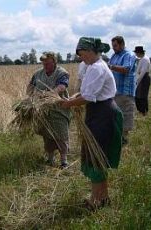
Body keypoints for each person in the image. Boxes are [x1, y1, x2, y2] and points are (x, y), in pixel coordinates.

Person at [61, 37, 123, 211]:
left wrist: (67, 104)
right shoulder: (93, 67)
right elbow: (85, 92)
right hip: (99, 112)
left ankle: (96, 201)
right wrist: (73, 98)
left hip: (103, 114)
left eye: (82, 54)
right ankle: (103, 198)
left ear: (89, 51)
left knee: (96, 157)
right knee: (97, 156)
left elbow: (88, 97)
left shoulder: (97, 68)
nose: (82, 58)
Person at [26, 52, 71, 168]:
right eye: (44, 63)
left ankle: (63, 160)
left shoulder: (62, 73)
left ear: (54, 62)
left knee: (61, 134)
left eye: (48, 63)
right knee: (47, 135)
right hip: (44, 111)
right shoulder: (38, 74)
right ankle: (50, 158)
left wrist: (49, 95)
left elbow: (62, 87)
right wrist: (31, 96)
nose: (45, 66)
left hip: (59, 108)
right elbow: (30, 86)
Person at [108, 36, 136, 145]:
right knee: (116, 114)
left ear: (122, 44)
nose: (113, 48)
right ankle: (118, 137)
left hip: (125, 90)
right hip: (115, 90)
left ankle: (124, 139)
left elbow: (126, 69)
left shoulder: (128, 55)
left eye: (115, 46)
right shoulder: (114, 56)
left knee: (126, 114)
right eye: (113, 46)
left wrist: (110, 66)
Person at [133, 46, 150, 116]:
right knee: (139, 95)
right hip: (142, 78)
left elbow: (142, 72)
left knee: (142, 95)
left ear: (139, 52)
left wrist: (137, 81)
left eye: (136, 53)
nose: (136, 54)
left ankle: (143, 111)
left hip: (144, 78)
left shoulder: (145, 59)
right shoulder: (143, 58)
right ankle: (141, 110)